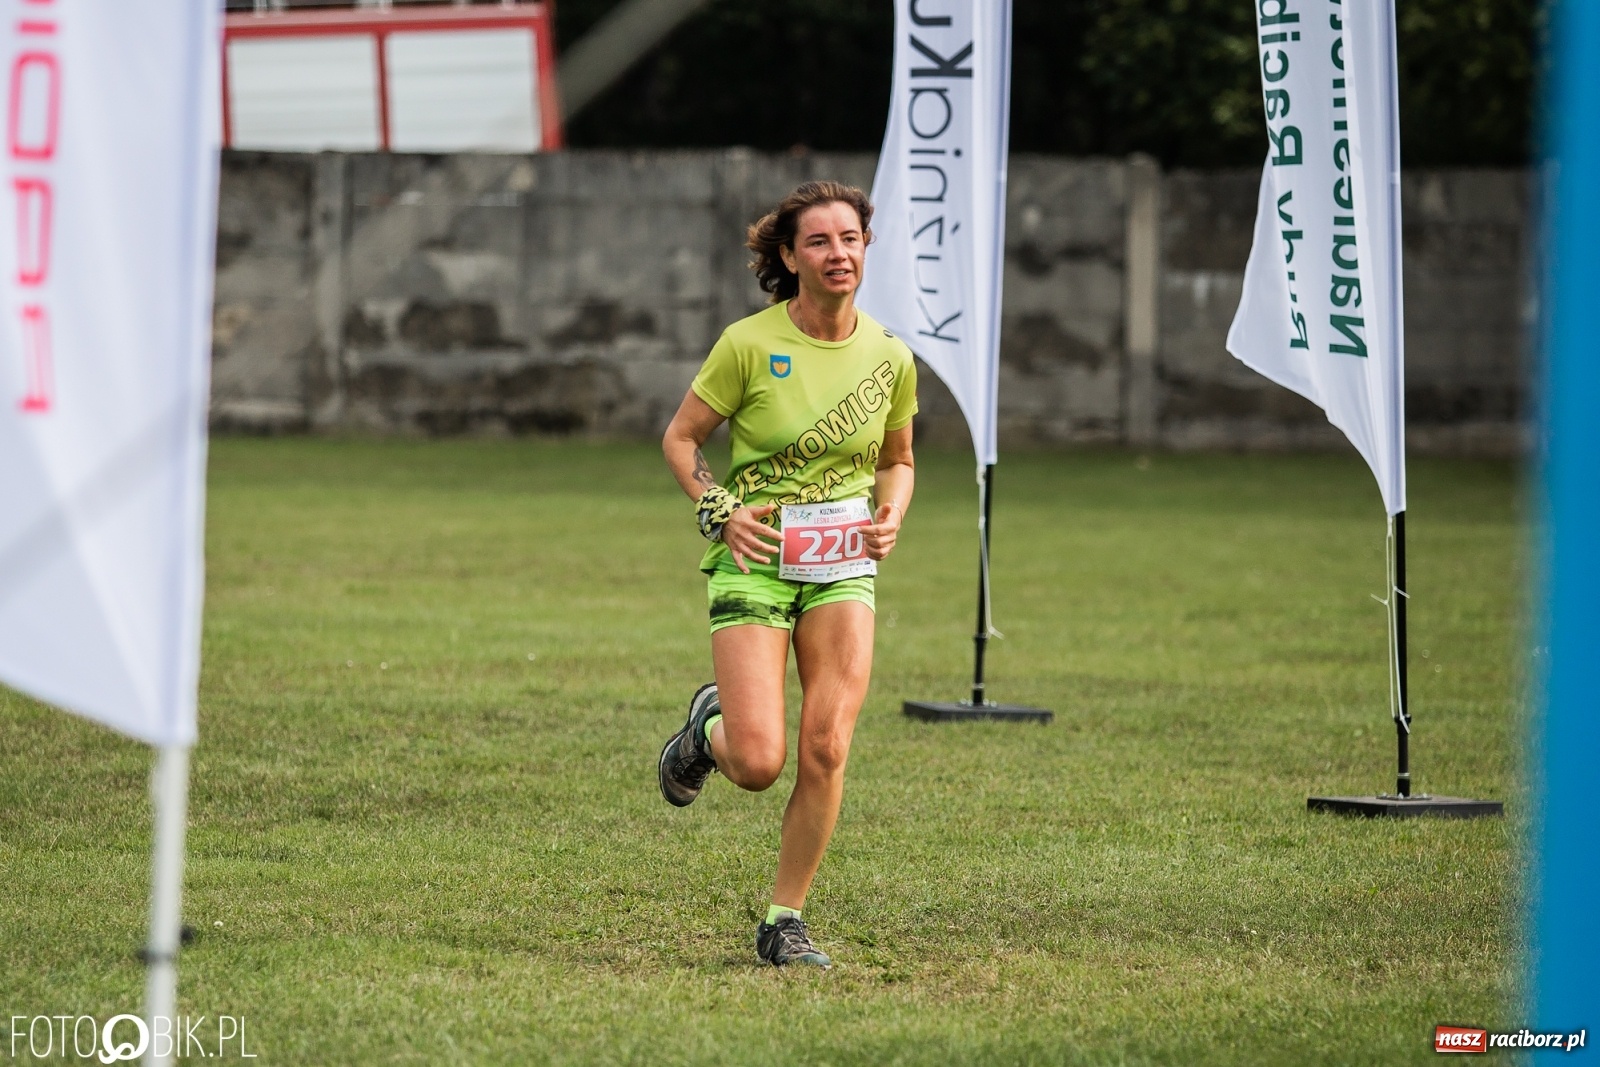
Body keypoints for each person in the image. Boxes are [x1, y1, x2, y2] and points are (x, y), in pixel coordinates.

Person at [657, 180, 917, 969]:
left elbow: (898, 460)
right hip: (755, 562)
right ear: (787, 255)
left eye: (850, 239)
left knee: (828, 745)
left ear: (866, 248)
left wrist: (892, 511)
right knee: (761, 761)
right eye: (819, 242)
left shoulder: (889, 356)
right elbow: (679, 440)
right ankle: (707, 730)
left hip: (841, 570)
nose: (838, 254)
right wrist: (720, 510)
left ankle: (784, 919)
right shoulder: (747, 344)